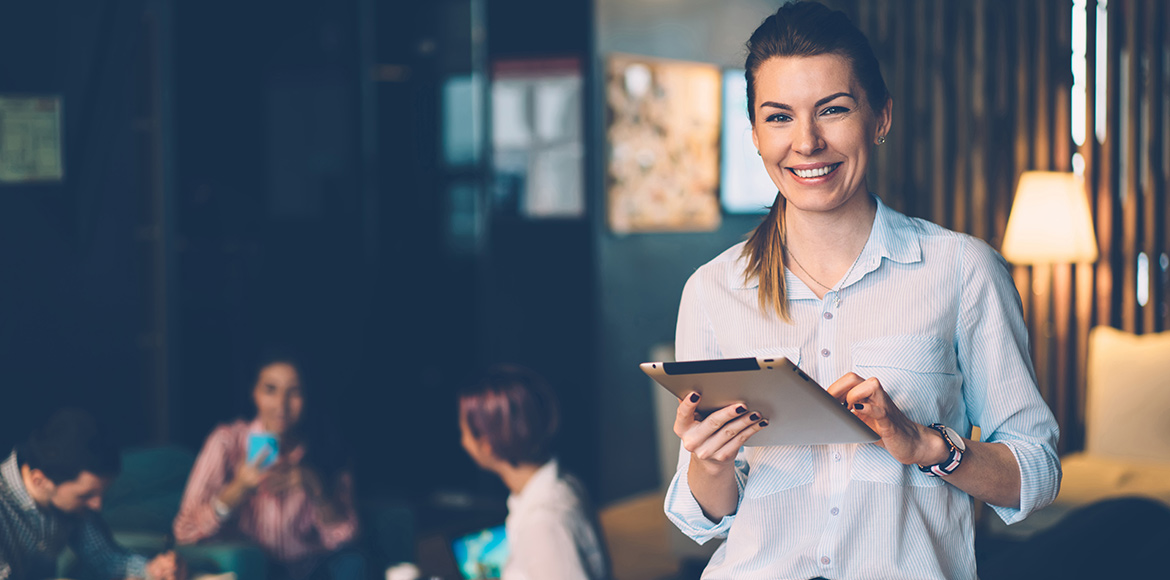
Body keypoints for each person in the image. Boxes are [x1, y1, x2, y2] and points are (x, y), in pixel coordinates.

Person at [664, 2, 1061, 579]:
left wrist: (927, 446)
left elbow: (1037, 472)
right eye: (778, 117)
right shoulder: (710, 291)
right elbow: (709, 516)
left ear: (880, 117)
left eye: (833, 110)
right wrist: (711, 460)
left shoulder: (962, 270)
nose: (806, 142)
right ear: (753, 133)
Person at [173, 353, 362, 580]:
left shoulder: (325, 448)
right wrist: (238, 488)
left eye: (294, 392)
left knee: (354, 563)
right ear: (255, 393)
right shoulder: (227, 442)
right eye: (270, 389)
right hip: (248, 569)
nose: (281, 404)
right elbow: (185, 531)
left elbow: (345, 538)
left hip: (310, 571)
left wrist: (317, 488)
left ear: (308, 397)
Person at [457, 365, 610, 580]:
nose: (462, 442)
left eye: (463, 432)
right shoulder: (560, 483)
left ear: (486, 444)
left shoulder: (543, 520)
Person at [0, 407, 186, 580]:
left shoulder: (74, 507)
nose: (97, 505)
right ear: (38, 481)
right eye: (85, 495)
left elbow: (105, 558)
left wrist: (153, 569)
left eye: (99, 494)